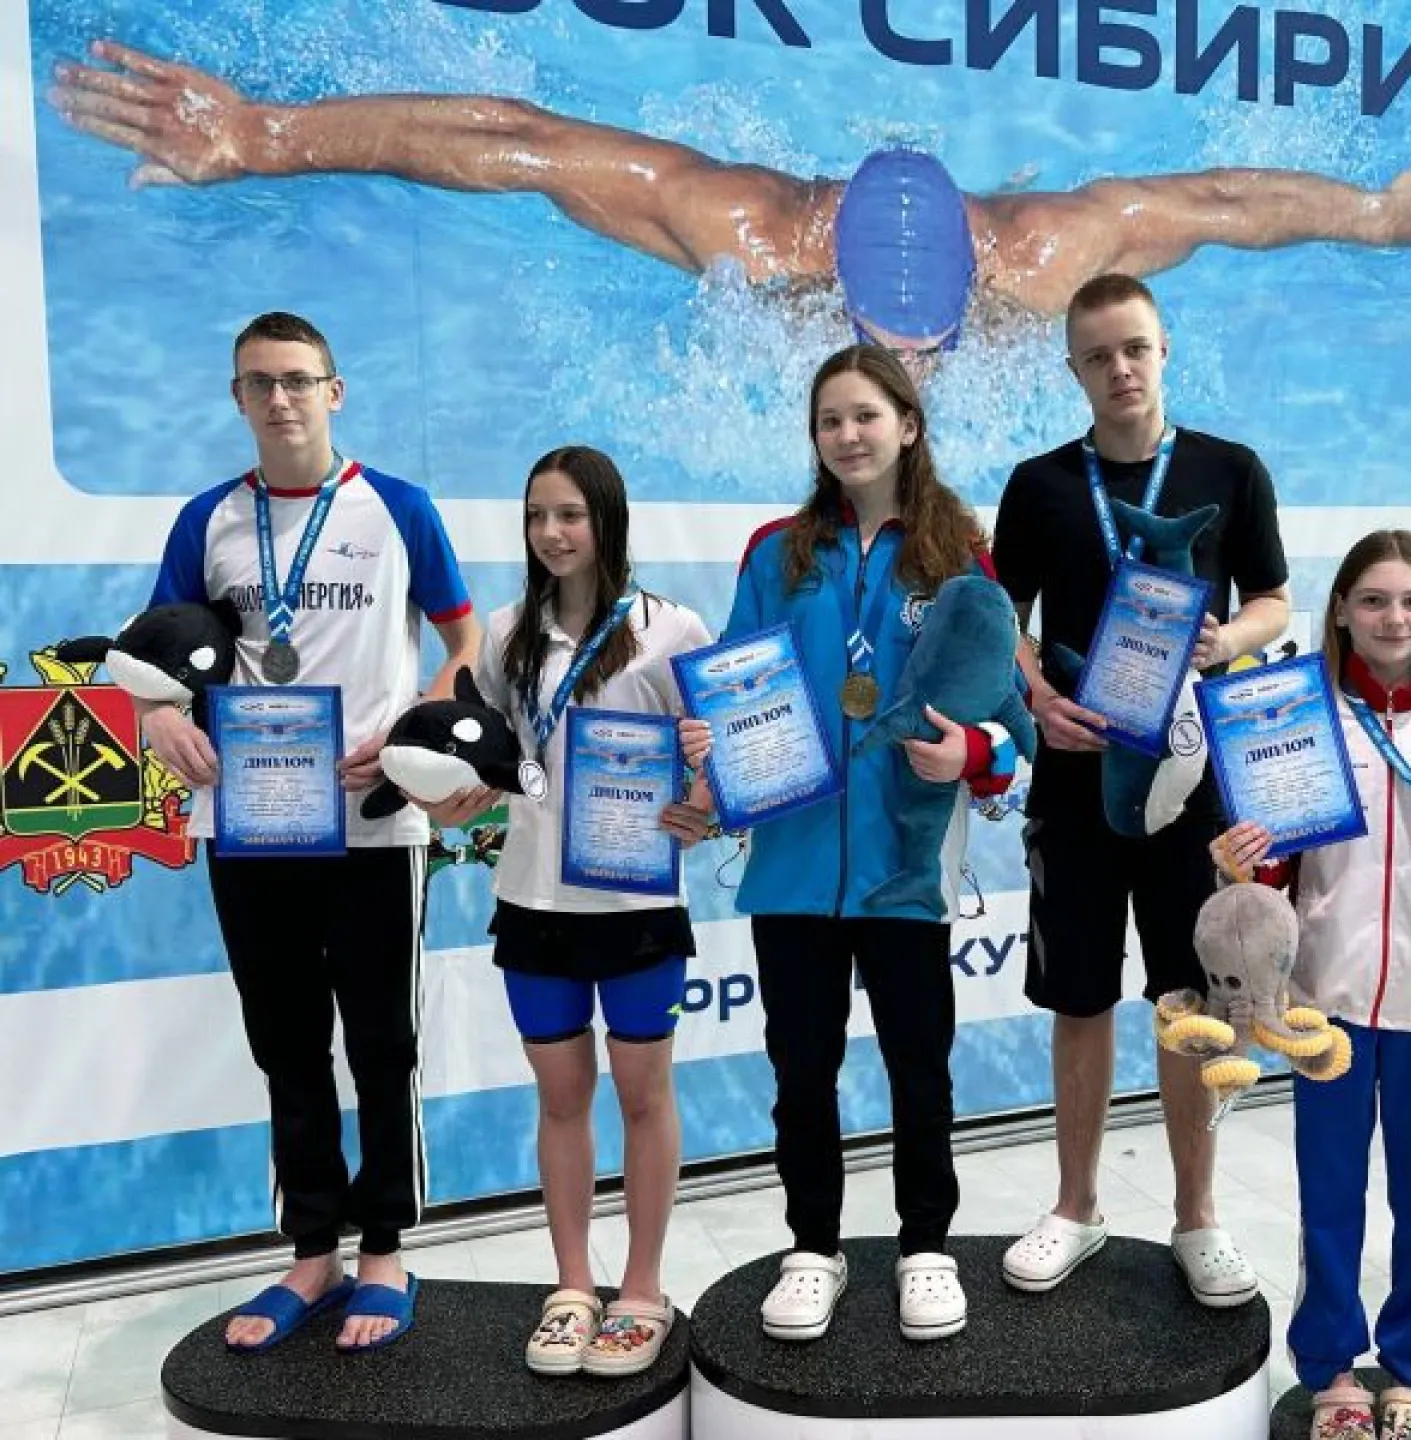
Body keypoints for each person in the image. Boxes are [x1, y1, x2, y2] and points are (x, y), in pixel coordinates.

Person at [52, 40, 1411, 379]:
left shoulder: (1045, 256)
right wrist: (265, 136)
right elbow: (519, 143)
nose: (905, 367)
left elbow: (1221, 200)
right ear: (831, 280)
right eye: (878, 337)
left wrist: (1371, 218)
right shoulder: (746, 229)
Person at [137, 310, 481, 1352]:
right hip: (250, 825)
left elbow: (463, 637)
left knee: (382, 1042)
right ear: (237, 397)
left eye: (297, 380)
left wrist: (416, 729)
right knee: (284, 1040)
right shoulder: (207, 520)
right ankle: (313, 1248)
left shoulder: (400, 509)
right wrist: (157, 718)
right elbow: (154, 663)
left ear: (335, 391)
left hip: (372, 824)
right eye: (260, 382)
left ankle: (385, 1249)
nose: (280, 398)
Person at [680, 344, 1014, 1342]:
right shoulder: (775, 553)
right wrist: (709, 751)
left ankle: (926, 1247)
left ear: (907, 425)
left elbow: (1010, 722)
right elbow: (733, 686)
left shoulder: (959, 556)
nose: (847, 434)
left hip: (905, 867)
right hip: (792, 870)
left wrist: (973, 754)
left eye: (865, 414)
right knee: (801, 1070)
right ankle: (813, 1247)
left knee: (920, 1066)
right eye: (829, 419)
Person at [990, 272, 1290, 1307]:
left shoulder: (1229, 470)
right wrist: (1036, 696)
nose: (1119, 369)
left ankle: (1197, 1217)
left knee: (1188, 1002)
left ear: (1164, 350)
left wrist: (1225, 638)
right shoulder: (1039, 485)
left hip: (1192, 786)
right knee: (1078, 999)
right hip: (1075, 778)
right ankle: (1076, 1205)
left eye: (1135, 349)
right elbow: (1002, 620)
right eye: (1098, 356)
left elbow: (1275, 600)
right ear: (1073, 369)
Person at [1210, 530, 1411, 1440]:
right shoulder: (1297, 720)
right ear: (1340, 609)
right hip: (1326, 1002)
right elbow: (1277, 876)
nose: (1394, 618)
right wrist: (1245, 864)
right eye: (1374, 600)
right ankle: (1334, 1374)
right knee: (1330, 1198)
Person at [423, 446, 715, 1377]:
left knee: (643, 1097)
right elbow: (477, 753)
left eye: (570, 515)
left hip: (636, 905)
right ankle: (573, 1285)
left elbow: (720, 764)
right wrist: (451, 790)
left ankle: (642, 1288)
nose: (551, 533)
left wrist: (704, 798)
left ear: (608, 520)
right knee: (560, 1100)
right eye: (537, 516)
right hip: (534, 901)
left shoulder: (671, 629)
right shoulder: (507, 632)